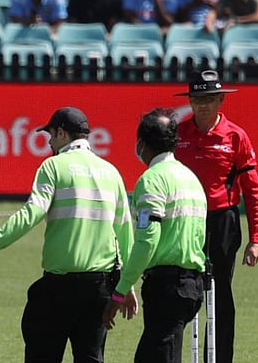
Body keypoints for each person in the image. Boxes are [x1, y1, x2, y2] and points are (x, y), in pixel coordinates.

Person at [0, 106, 136, 363]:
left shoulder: (53, 167)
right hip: (100, 287)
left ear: (61, 133)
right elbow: (125, 232)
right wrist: (127, 285)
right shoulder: (111, 172)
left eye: (50, 135)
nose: (49, 142)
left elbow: (29, 216)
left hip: (59, 288)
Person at [173, 70, 258, 363]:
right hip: (185, 221)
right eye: (197, 99)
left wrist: (256, 239)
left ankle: (220, 358)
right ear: (190, 101)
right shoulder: (177, 134)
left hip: (222, 221)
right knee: (182, 289)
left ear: (221, 100)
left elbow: (252, 190)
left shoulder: (235, 136)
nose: (203, 105)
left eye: (209, 99)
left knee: (220, 291)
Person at [103, 107, 208, 363]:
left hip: (167, 287)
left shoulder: (151, 180)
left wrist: (120, 291)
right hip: (192, 285)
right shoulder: (191, 179)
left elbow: (147, 241)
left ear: (142, 143)